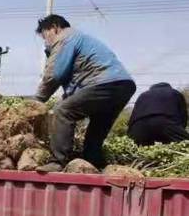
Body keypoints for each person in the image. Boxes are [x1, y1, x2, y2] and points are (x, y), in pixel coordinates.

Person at [33, 15, 136, 172]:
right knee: (98, 125)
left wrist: (37, 101)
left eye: (45, 36)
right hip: (122, 85)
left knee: (63, 111)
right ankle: (94, 161)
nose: (46, 42)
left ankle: (58, 161)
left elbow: (54, 74)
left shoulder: (65, 37)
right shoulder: (81, 39)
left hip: (104, 82)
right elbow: (75, 83)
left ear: (54, 27)